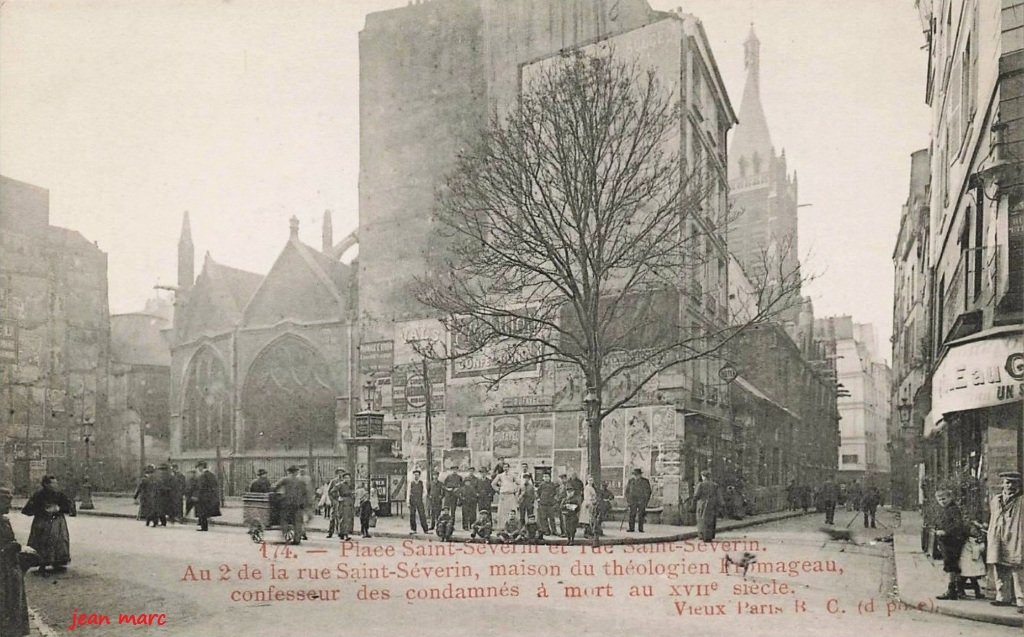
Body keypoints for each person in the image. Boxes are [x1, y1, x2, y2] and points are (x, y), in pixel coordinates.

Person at [986, 470, 1023, 612]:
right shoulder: (996, 500)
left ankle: (1021, 600)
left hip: (1016, 536)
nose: (1010, 486)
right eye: (1008, 482)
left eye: (1014, 483)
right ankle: (1003, 597)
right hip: (998, 537)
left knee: (1018, 569)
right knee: (999, 566)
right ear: (1003, 484)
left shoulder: (1022, 500)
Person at [21, 475, 74, 572]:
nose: (55, 485)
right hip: (42, 521)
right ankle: (42, 563)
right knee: (42, 541)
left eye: (56, 483)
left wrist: (59, 509)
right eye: (53, 483)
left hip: (57, 521)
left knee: (60, 541)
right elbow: (28, 509)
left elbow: (69, 507)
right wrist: (42, 510)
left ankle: (58, 562)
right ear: (45, 484)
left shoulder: (59, 495)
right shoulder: (38, 495)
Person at [1, 485, 31, 636]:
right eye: (6, 501)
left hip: (11, 568)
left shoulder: (5, 521)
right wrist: (14, 547)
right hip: (3, 570)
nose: (10, 505)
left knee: (14, 601)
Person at [933, 488, 968, 600]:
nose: (942, 501)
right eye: (939, 499)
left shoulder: (953, 509)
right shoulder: (945, 509)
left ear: (950, 498)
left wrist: (945, 531)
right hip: (947, 541)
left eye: (944, 499)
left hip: (952, 541)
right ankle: (958, 589)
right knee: (952, 565)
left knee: (951, 565)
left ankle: (951, 590)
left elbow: (958, 525)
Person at [273, 466, 309, 546]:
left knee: (284, 519)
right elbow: (305, 493)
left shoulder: (285, 479)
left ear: (289, 472)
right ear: (296, 472)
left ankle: (286, 535)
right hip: (298, 504)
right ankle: (297, 539)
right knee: (297, 522)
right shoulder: (301, 481)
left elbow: (275, 487)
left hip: (287, 504)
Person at [693, 470, 723, 542]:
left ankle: (702, 536)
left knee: (702, 520)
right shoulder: (715, 485)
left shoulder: (700, 485)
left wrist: (694, 501)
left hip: (702, 504)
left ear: (703, 476)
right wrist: (720, 505)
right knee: (711, 520)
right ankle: (710, 536)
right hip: (712, 504)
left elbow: (696, 495)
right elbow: (719, 496)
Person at [192, 461, 221, 532]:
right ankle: (204, 526)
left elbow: (200, 487)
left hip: (203, 497)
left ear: (201, 467)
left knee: (202, 512)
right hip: (210, 498)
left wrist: (196, 496)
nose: (198, 469)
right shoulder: (212, 475)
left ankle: (203, 527)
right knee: (205, 512)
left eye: (198, 467)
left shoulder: (202, 476)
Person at [625, 468, 652, 533]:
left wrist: (646, 500)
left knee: (641, 514)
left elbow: (648, 491)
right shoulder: (631, 481)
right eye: (634, 475)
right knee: (632, 514)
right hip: (633, 500)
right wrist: (628, 500)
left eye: (637, 475)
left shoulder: (645, 481)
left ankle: (640, 528)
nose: (636, 476)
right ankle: (631, 528)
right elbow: (627, 491)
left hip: (641, 500)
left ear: (640, 475)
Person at [331, 472, 355, 541]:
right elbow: (332, 491)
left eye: (349, 478)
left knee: (348, 519)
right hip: (343, 503)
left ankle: (343, 533)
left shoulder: (350, 485)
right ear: (344, 478)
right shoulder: (340, 485)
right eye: (346, 478)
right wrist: (337, 497)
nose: (348, 479)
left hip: (349, 503)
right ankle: (344, 534)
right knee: (343, 519)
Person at [408, 469, 429, 535]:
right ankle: (413, 529)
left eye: (417, 475)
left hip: (419, 500)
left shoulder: (422, 483)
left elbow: (425, 492)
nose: (416, 476)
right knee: (412, 515)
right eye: (415, 475)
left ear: (419, 476)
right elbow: (408, 493)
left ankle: (425, 529)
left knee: (422, 514)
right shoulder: (411, 483)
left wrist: (422, 497)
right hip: (412, 500)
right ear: (413, 475)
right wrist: (408, 502)